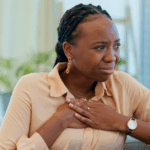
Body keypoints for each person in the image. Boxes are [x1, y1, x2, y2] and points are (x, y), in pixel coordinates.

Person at [0, 3, 150, 150]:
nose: (112, 57)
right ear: (69, 50)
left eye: (116, 46)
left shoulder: (122, 85)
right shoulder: (30, 87)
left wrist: (118, 121)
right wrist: (60, 121)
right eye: (100, 47)